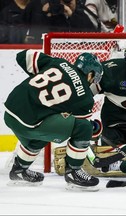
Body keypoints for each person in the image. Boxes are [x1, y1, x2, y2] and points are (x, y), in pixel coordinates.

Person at [4, 50, 103, 191]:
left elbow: (22, 56)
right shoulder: (85, 97)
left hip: (10, 112)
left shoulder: (58, 62)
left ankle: (19, 170)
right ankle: (73, 172)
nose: (93, 82)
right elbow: (84, 128)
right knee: (84, 128)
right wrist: (95, 128)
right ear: (90, 73)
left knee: (46, 131)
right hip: (30, 121)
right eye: (94, 78)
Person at [22, 0, 96, 44]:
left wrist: (72, 16)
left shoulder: (80, 15)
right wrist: (44, 14)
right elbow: (19, 32)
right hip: (40, 51)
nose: (67, 4)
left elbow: (92, 38)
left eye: (69, 1)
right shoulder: (35, 7)